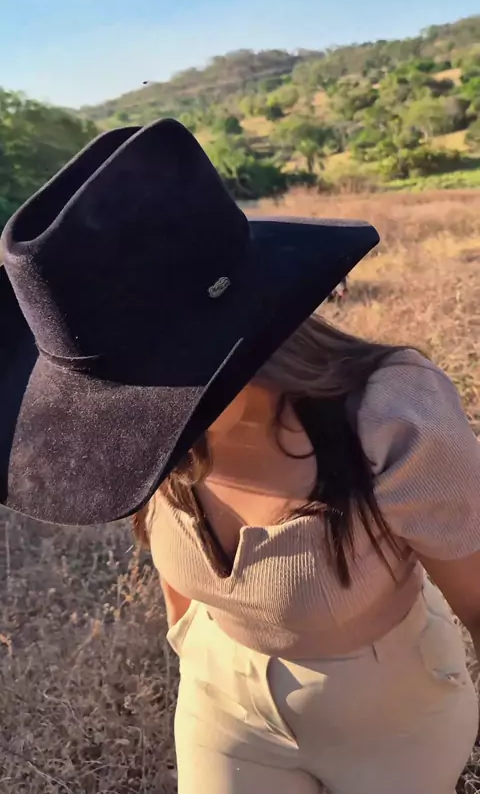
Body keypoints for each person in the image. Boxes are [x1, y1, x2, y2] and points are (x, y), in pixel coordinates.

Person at [1, 119, 480, 794]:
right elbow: (171, 560)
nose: (113, 431)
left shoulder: (389, 417)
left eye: (125, 402)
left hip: (396, 724)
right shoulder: (149, 448)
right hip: (221, 705)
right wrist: (190, 645)